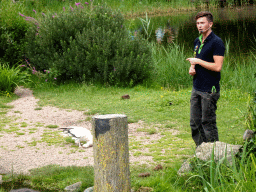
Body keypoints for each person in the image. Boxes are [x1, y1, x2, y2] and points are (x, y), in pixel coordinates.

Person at [186, 11, 225, 147]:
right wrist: (192, 67)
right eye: (197, 23)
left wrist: (198, 61)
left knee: (208, 124)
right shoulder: (197, 41)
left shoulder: (217, 42)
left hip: (209, 89)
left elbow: (217, 67)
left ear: (210, 23)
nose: (199, 26)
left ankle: (214, 154)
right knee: (194, 123)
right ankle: (201, 152)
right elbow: (196, 60)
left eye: (202, 23)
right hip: (196, 87)